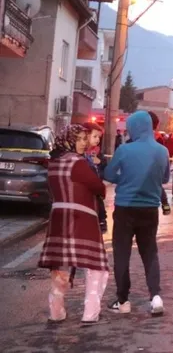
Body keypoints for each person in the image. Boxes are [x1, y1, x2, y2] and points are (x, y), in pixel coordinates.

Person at [39, 125, 109, 325]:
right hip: (81, 217)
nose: (83, 143)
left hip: (59, 218)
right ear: (68, 140)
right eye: (78, 139)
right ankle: (90, 313)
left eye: (84, 139)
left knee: (60, 266)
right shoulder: (78, 163)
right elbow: (98, 187)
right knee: (96, 266)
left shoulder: (54, 163)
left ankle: (56, 311)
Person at [103, 111, 170, 315]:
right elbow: (165, 179)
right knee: (150, 253)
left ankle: (123, 301)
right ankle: (155, 297)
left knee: (122, 255)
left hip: (125, 208)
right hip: (150, 209)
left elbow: (109, 175)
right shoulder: (163, 151)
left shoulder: (124, 150)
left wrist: (125, 178)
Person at [82, 122, 109, 233]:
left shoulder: (98, 153)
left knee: (98, 203)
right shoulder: (80, 152)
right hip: (82, 189)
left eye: (99, 137)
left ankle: (102, 220)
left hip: (95, 187)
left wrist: (100, 163)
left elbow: (105, 170)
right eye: (95, 136)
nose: (97, 139)